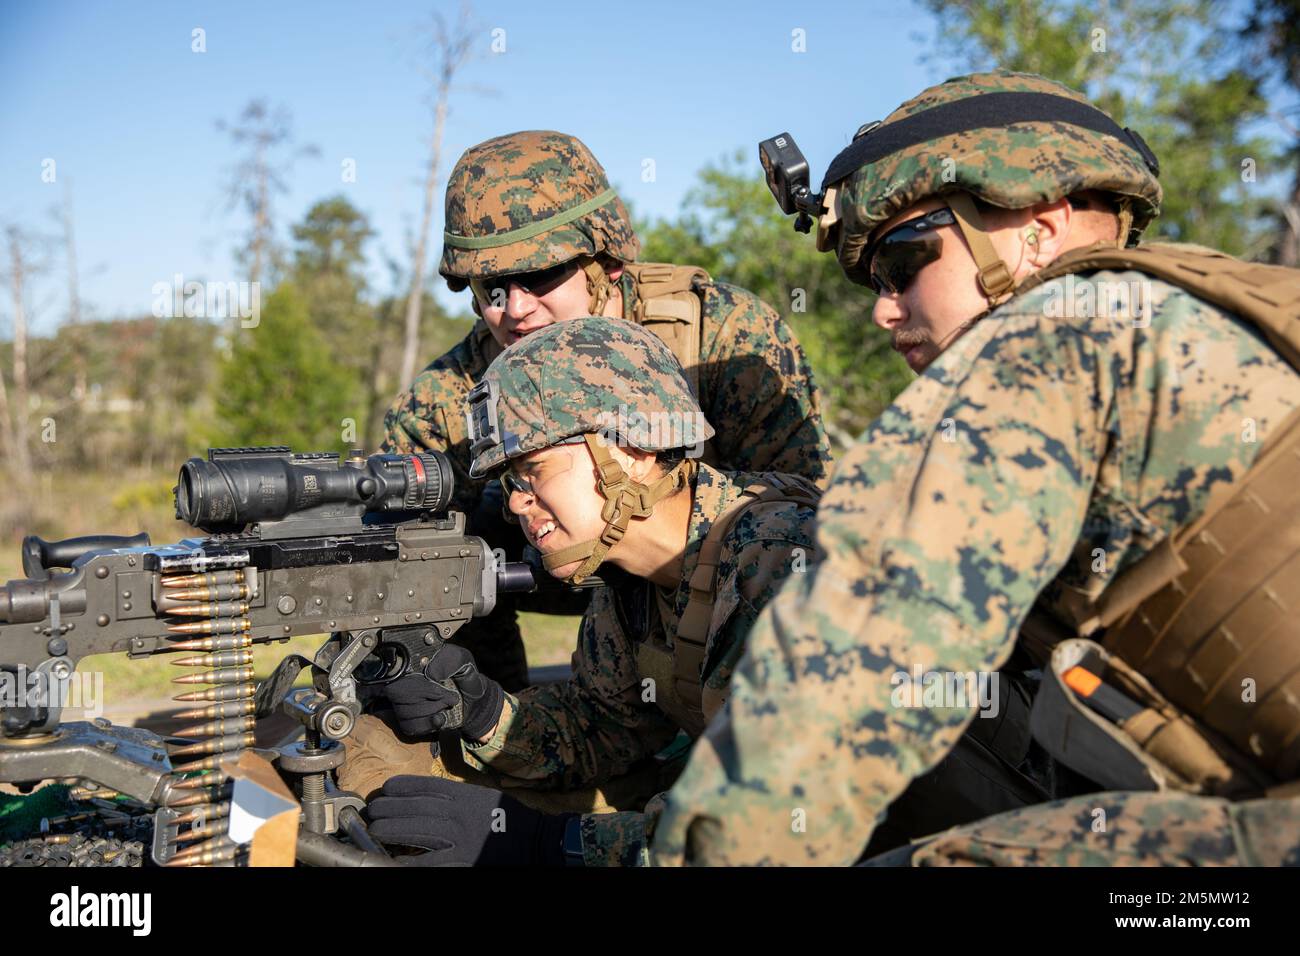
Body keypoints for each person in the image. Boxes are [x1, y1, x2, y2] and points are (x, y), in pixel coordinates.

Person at [645, 70, 1300, 866]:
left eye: (903, 261)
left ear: (1040, 228)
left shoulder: (1047, 345)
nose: (885, 309)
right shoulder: (1229, 309)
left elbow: (837, 695)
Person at [359, 317, 821, 866]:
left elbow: (781, 831)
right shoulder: (629, 578)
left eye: (535, 470)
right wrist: (481, 712)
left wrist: (551, 846)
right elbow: (605, 729)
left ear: (632, 450)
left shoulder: (777, 563)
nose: (515, 504)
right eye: (511, 482)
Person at [380, 130, 832, 691]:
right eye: (492, 287)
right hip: (548, 570)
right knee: (432, 551)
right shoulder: (450, 395)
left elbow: (800, 506)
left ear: (607, 262)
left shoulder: (722, 337)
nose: (516, 308)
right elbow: (391, 541)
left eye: (542, 274)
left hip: (714, 580)